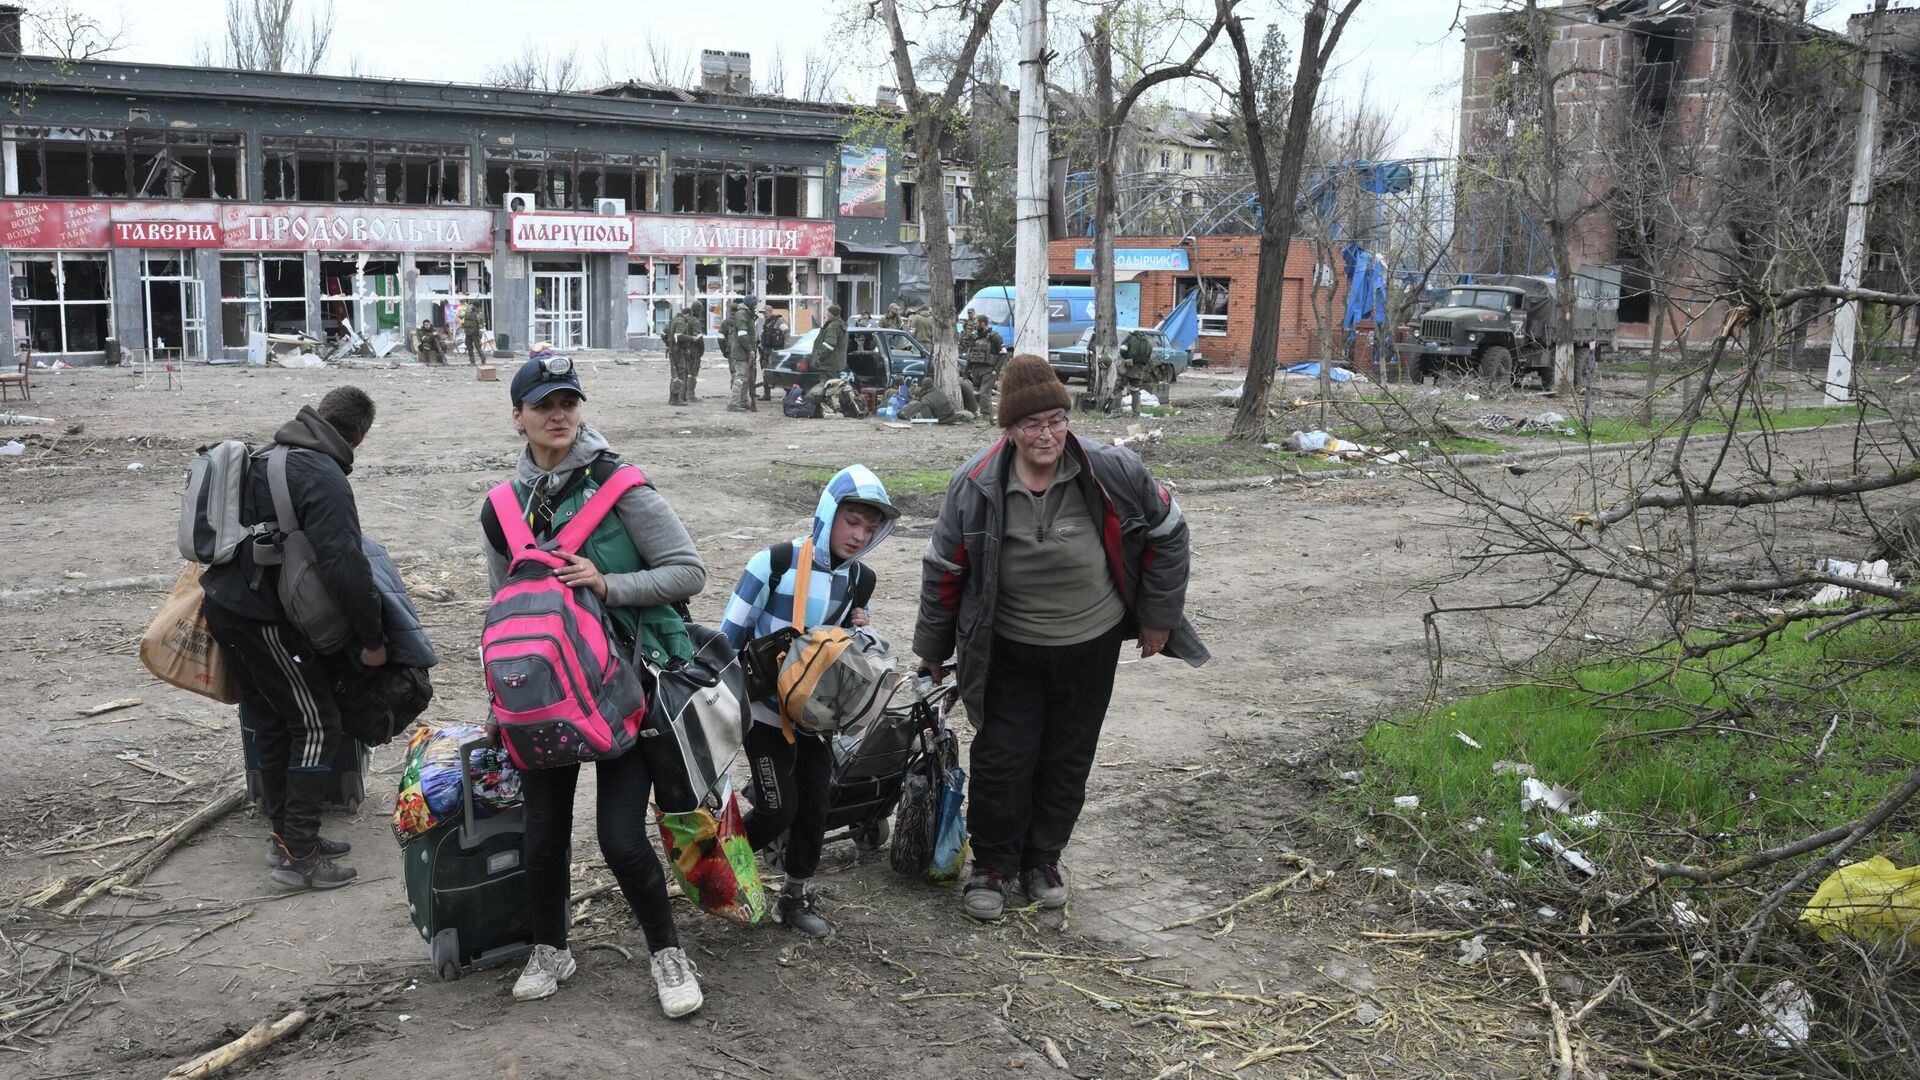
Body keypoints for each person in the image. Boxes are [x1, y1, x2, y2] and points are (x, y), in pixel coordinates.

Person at [912, 356, 1208, 922]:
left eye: (1056, 419)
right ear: (1008, 429)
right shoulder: (975, 484)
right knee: (1003, 756)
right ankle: (994, 865)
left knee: (1068, 755)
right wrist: (933, 647)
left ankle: (1042, 859)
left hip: (1089, 643)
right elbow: (943, 569)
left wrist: (1158, 616)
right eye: (1031, 424)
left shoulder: (1112, 469)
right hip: (1008, 647)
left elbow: (1170, 533)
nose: (1045, 434)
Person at [480, 355, 709, 1016]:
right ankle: (552, 949)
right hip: (541, 698)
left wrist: (608, 585)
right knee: (543, 837)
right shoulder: (500, 511)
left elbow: (687, 571)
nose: (559, 415)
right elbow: (504, 611)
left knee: (620, 838)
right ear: (517, 416)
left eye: (568, 402)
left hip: (623, 689)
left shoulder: (621, 486)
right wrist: (499, 701)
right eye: (543, 404)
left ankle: (669, 955)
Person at [200, 387, 386, 891]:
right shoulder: (322, 475)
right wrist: (371, 637)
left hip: (226, 604)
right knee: (318, 722)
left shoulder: (271, 455)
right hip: (263, 617)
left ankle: (285, 834)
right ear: (359, 435)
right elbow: (345, 564)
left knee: (276, 720)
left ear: (320, 416)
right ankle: (298, 853)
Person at [718, 466, 898, 937]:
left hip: (817, 716)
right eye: (851, 521)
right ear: (827, 514)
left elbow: (844, 649)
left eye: (869, 527)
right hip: (762, 714)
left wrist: (864, 627)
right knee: (779, 810)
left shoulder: (861, 580)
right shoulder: (772, 564)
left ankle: (793, 895)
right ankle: (723, 868)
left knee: (816, 804)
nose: (859, 535)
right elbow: (725, 639)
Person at [964, 315, 1007, 419]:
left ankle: (986, 416)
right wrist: (966, 371)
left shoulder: (995, 337)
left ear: (983, 324)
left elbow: (1003, 354)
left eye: (976, 323)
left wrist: (996, 370)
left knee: (984, 393)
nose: (974, 325)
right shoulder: (975, 337)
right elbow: (970, 355)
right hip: (976, 370)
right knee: (976, 393)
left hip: (989, 370)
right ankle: (985, 413)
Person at [668, 304, 706, 406]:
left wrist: (669, 345)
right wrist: (701, 349)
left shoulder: (675, 320)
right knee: (690, 372)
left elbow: (665, 333)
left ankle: (677, 396)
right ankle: (687, 395)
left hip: (681, 349)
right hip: (690, 349)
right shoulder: (693, 321)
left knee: (678, 372)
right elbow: (698, 337)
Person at [809, 304, 848, 401]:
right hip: (835, 362)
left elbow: (829, 346)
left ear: (833, 314)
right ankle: (832, 403)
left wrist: (819, 357)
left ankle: (827, 404)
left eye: (829, 312)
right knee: (833, 385)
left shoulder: (833, 327)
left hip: (828, 363)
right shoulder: (839, 325)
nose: (827, 314)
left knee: (827, 385)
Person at [724, 300, 756, 413]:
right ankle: (733, 403)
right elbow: (743, 335)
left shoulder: (746, 314)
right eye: (755, 304)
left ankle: (742, 401)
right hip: (742, 352)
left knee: (746, 378)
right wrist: (750, 349)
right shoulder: (742, 314)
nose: (756, 306)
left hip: (745, 351)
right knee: (740, 377)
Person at [898, 375, 974, 424]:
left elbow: (929, 420)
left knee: (917, 415)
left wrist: (914, 419)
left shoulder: (925, 401)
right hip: (951, 417)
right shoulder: (940, 391)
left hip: (942, 421)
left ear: (923, 387)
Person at [1114, 329, 1154, 417]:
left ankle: (1116, 411)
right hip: (1139, 371)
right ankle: (1136, 413)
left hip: (1127, 369)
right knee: (1135, 391)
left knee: (1117, 388)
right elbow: (1149, 355)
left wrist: (1127, 358)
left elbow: (1123, 350)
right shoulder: (1148, 341)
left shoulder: (1130, 338)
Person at [758, 307, 788, 401]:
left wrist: (786, 349)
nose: (764, 314)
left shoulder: (779, 321)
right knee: (765, 372)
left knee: (782, 373)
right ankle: (767, 394)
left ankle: (788, 394)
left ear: (771, 312)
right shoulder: (766, 322)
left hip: (777, 351)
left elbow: (787, 333)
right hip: (766, 351)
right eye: (763, 313)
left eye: (765, 313)